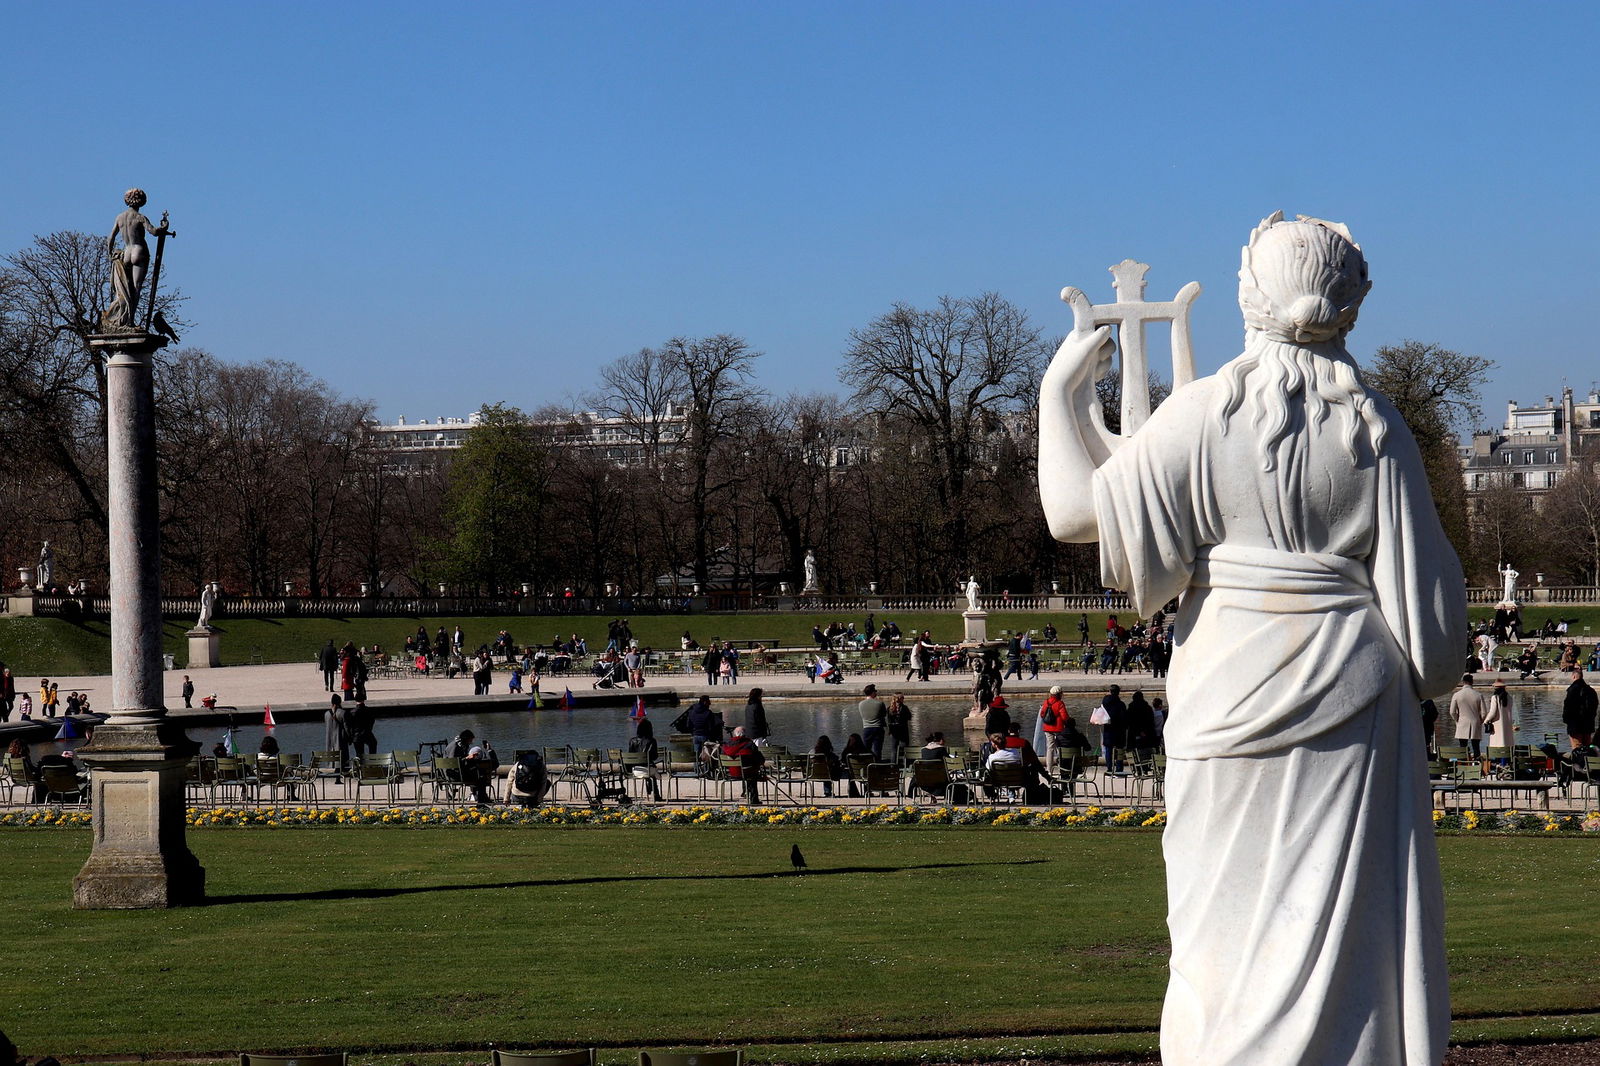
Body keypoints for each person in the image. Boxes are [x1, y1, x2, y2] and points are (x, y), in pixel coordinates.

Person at [103, 188, 174, 328]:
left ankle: (122, 317)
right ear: (142, 201)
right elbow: (154, 232)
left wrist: (110, 253)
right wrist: (164, 227)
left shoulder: (120, 217)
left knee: (124, 288)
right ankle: (129, 321)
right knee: (136, 288)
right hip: (139, 251)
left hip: (126, 253)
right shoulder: (140, 217)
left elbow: (111, 237)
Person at [721, 726, 765, 804]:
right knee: (752, 774)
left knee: (750, 772)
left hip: (730, 773)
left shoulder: (726, 745)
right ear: (745, 734)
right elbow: (760, 759)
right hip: (747, 772)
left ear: (734, 734)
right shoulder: (749, 744)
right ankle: (753, 799)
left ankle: (747, 794)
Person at [1450, 673, 1488, 760]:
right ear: (1472, 682)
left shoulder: (1456, 695)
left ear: (1463, 682)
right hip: (1475, 722)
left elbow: (1452, 712)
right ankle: (1478, 765)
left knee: (1462, 746)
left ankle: (1463, 764)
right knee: (1476, 747)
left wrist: (1457, 720)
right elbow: (1484, 713)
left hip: (1462, 722)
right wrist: (1480, 721)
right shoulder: (1478, 695)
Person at [1563, 667, 1598, 748]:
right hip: (1588, 724)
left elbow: (1568, 707)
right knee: (1587, 747)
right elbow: (1594, 706)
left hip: (1575, 725)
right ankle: (1588, 760)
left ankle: (1578, 760)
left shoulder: (1572, 690)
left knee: (1577, 748)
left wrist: (1566, 720)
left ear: (1574, 676)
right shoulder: (1591, 690)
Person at [685, 695, 721, 772]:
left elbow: (688, 725)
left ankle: (697, 771)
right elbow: (711, 727)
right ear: (705, 702)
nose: (710, 703)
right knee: (707, 754)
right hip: (705, 735)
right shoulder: (708, 713)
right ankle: (706, 770)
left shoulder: (691, 712)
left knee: (696, 754)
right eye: (709, 701)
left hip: (695, 735)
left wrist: (693, 732)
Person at [1039, 685, 1070, 769]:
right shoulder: (1060, 703)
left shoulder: (1046, 702)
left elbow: (1042, 714)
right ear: (1059, 694)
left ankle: (1049, 769)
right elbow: (1064, 717)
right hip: (1058, 728)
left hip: (1047, 728)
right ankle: (1061, 766)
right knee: (1059, 747)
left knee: (1050, 748)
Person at [858, 684, 887, 761]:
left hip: (867, 728)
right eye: (875, 691)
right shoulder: (880, 703)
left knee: (866, 750)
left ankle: (867, 766)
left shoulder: (861, 704)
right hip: (878, 728)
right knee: (878, 750)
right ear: (872, 692)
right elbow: (884, 714)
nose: (876, 693)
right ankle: (877, 766)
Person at [325, 694, 350, 769]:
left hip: (329, 742)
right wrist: (350, 738)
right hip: (340, 741)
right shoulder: (342, 713)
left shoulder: (326, 714)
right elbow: (347, 728)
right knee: (342, 761)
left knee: (332, 760)